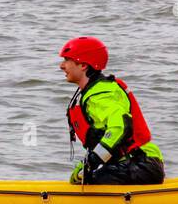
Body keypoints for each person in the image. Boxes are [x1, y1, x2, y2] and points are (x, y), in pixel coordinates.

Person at [59, 37, 166, 186]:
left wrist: (93, 161)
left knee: (91, 182)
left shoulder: (101, 94)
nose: (61, 66)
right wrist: (86, 164)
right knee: (79, 179)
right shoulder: (96, 90)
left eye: (66, 60)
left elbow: (119, 127)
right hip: (135, 163)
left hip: (140, 164)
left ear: (83, 65)